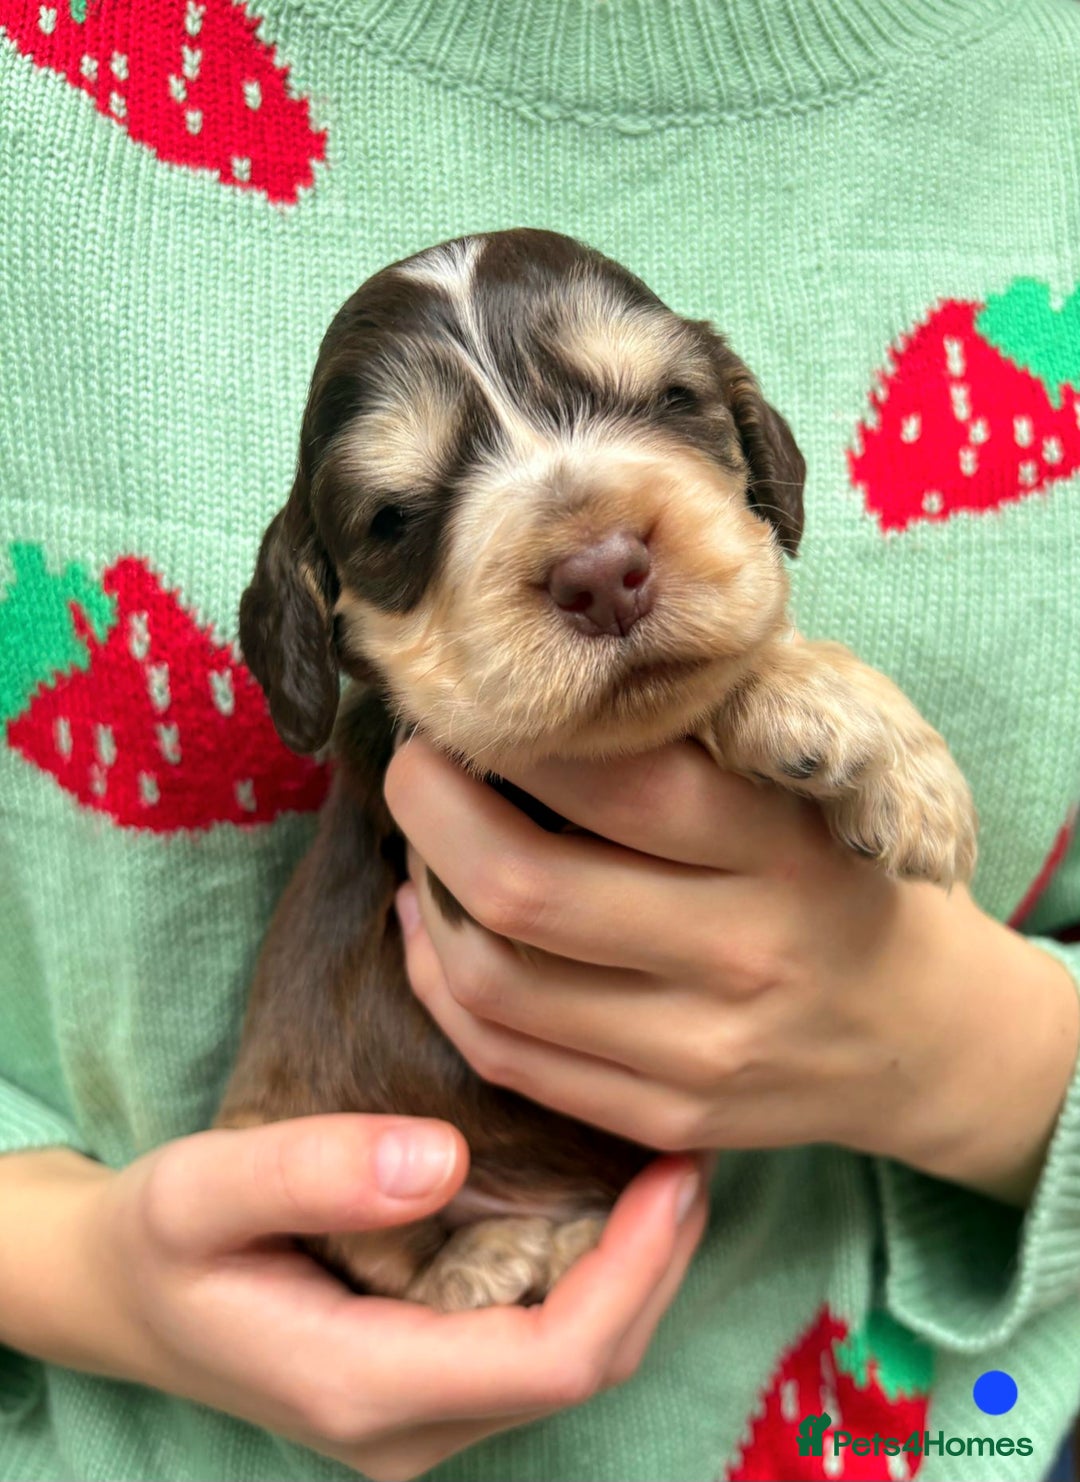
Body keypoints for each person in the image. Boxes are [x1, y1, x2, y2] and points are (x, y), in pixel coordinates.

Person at [1, 1, 1079, 1479]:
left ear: (754, 439)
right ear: (316, 617)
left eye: (667, 406)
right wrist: (84, 1273)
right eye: (400, 516)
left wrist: (978, 1052)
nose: (596, 552)